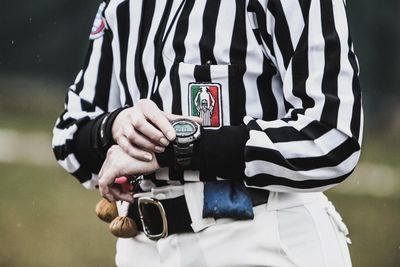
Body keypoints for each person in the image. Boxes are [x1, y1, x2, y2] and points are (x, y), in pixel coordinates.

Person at [52, 0, 362, 266]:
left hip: (262, 237)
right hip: (142, 246)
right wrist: (118, 127)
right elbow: (68, 136)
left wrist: (173, 148)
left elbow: (332, 138)